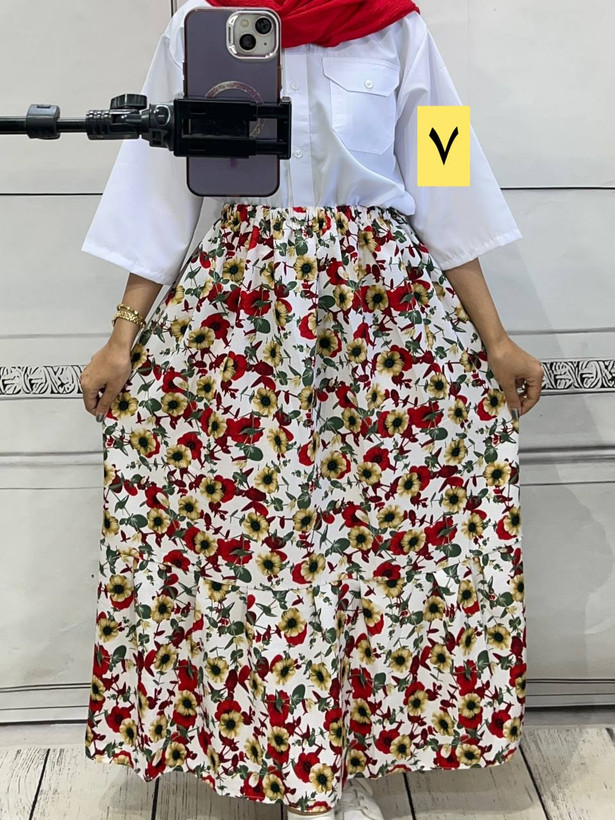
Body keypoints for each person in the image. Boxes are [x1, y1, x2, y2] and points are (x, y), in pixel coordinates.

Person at [79, 1, 543, 818]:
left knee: (372, 538)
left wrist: (495, 338)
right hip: (242, 314)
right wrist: (123, 334)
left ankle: (345, 757)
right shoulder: (202, 26)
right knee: (256, 542)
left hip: (381, 317)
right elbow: (158, 182)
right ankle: (282, 754)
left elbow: (442, 174)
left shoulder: (395, 29)